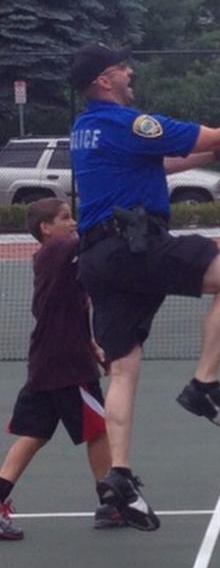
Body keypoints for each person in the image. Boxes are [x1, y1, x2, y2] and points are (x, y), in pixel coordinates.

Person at [68, 42, 220, 531]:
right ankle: (203, 386)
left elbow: (163, 164)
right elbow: (218, 130)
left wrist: (218, 151)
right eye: (121, 67)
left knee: (123, 369)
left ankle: (118, 478)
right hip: (132, 245)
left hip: (98, 260)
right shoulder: (129, 122)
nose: (130, 71)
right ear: (104, 80)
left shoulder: (86, 130)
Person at [0, 199, 120, 541]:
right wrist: (112, 218)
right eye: (65, 218)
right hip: (67, 366)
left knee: (34, 435)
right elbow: (84, 240)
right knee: (97, 430)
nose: (73, 223)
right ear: (46, 229)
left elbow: (73, 312)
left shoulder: (65, 261)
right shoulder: (55, 251)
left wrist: (93, 346)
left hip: (49, 361)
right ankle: (110, 502)